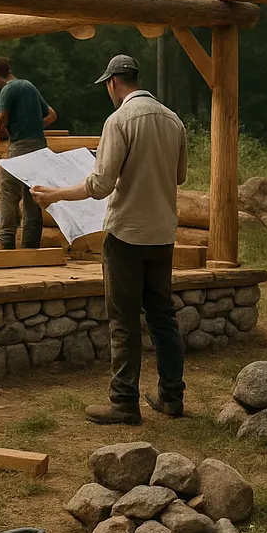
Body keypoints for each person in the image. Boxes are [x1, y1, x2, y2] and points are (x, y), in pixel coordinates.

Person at [33, 54, 188, 425]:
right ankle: (172, 397)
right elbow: (179, 177)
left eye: (107, 86)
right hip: (162, 235)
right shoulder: (174, 120)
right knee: (163, 318)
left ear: (114, 83)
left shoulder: (119, 121)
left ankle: (123, 402)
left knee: (123, 319)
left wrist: (54, 195)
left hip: (126, 235)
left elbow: (100, 185)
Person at [0, 56, 57, 251]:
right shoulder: (29, 86)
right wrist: (33, 127)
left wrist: (1, 133)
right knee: (33, 194)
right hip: (40, 147)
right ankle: (30, 245)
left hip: (20, 147)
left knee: (7, 190)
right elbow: (52, 114)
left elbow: (1, 121)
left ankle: (5, 239)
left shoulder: (8, 89)